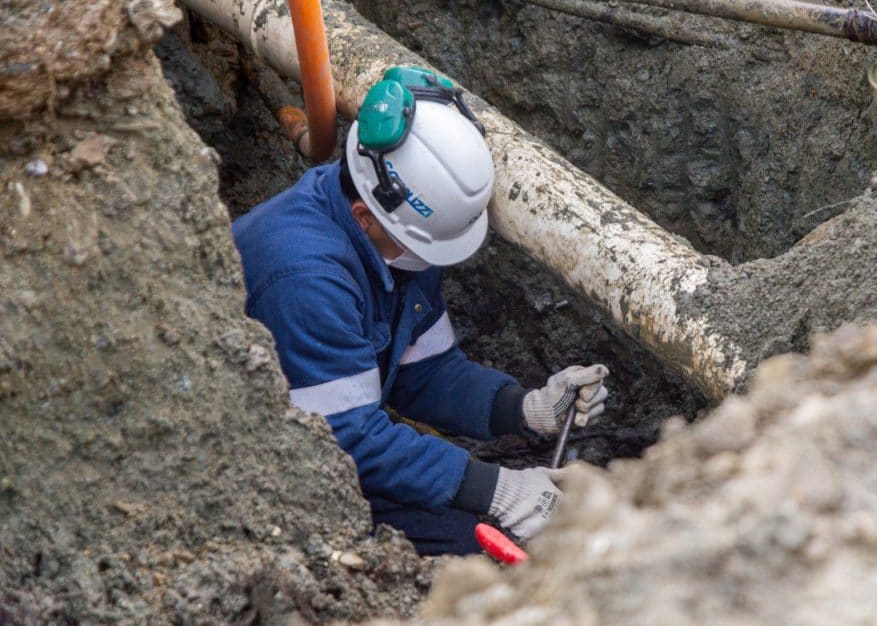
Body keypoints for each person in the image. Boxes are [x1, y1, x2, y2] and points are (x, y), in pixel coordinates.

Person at [232, 66, 609, 555]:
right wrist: (499, 490)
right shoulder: (303, 276)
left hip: (329, 446)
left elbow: (427, 373)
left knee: (471, 535)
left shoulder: (399, 236)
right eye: (422, 246)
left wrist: (524, 408)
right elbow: (345, 439)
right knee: (461, 555)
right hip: (256, 477)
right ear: (365, 215)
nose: (431, 262)